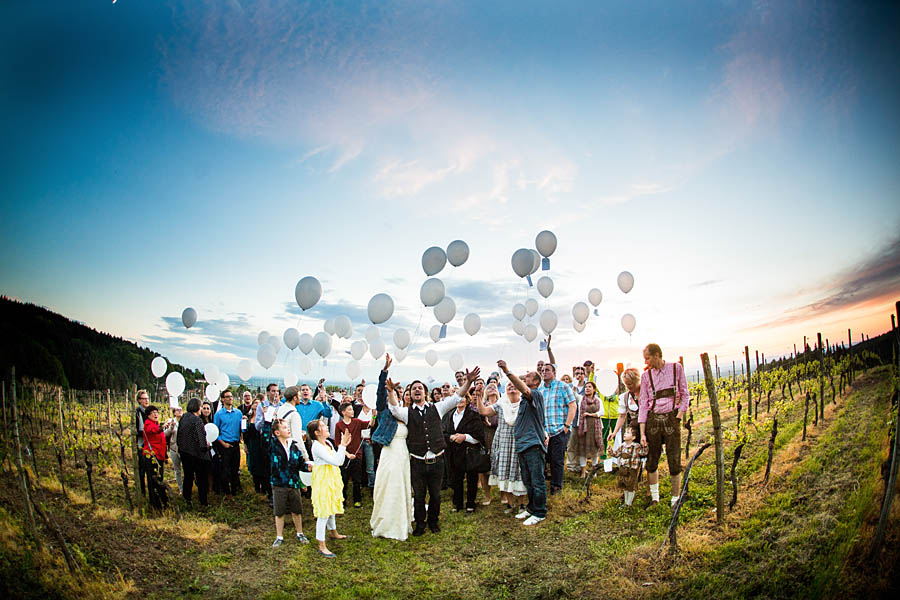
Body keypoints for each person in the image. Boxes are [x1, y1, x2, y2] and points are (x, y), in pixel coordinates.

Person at [388, 361, 479, 535]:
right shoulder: (407, 412)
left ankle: (434, 522)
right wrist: (391, 391)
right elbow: (393, 409)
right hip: (418, 462)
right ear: (410, 393)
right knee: (420, 496)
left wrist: (468, 382)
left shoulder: (438, 408)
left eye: (419, 388)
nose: (416, 390)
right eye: (413, 388)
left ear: (425, 392)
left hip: (437, 460)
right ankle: (420, 525)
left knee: (436, 495)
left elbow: (457, 397)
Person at [496, 360, 548, 526]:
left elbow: (523, 389)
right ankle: (532, 508)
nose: (525, 379)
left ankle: (540, 512)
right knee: (528, 480)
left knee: (537, 480)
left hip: (533, 444)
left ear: (536, 382)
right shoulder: (524, 400)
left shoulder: (535, 394)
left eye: (528, 377)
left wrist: (507, 371)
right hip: (523, 445)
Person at [638, 344, 690, 507]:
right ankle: (655, 498)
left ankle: (675, 498)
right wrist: (643, 432)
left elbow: (685, 394)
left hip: (671, 418)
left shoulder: (676, 368)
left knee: (674, 459)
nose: (645, 361)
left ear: (657, 355)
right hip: (653, 419)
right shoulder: (646, 376)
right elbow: (643, 403)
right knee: (652, 460)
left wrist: (678, 417)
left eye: (647, 358)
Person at [370, 354, 413, 540]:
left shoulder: (407, 414)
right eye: (394, 391)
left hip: (404, 454)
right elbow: (380, 394)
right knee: (387, 485)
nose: (397, 393)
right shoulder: (384, 411)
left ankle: (402, 520)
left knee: (402, 485)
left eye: (399, 391)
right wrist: (384, 370)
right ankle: (385, 522)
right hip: (389, 453)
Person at [476, 383, 527, 514]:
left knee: (519, 471)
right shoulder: (501, 404)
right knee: (505, 471)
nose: (511, 387)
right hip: (503, 442)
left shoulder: (524, 403)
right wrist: (478, 396)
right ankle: (510, 504)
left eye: (514, 385)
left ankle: (521, 504)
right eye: (509, 385)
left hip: (520, 441)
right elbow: (483, 411)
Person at [537, 337, 576, 495]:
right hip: (543, 432)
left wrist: (566, 426)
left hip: (559, 430)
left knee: (557, 460)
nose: (544, 372)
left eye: (547, 370)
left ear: (554, 372)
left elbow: (572, 405)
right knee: (544, 459)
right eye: (543, 370)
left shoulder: (563, 386)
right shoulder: (540, 389)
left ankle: (557, 487)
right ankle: (545, 484)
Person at [308, 418, 350, 558]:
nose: (326, 427)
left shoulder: (327, 443)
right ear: (317, 432)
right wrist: (343, 445)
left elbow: (339, 460)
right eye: (323, 426)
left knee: (331, 505)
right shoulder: (317, 447)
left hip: (331, 477)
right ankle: (321, 545)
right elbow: (337, 461)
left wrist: (342, 447)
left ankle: (334, 532)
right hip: (323, 479)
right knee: (323, 512)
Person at [441, 390, 485, 513]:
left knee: (471, 478)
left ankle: (471, 504)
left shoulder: (473, 414)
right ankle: (458, 504)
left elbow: (479, 435)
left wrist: (465, 437)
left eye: (463, 398)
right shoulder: (448, 415)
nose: (460, 400)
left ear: (467, 399)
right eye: (458, 398)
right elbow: (443, 432)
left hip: (469, 452)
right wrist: (450, 437)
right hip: (453, 452)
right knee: (456, 479)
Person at [269, 418, 310, 547]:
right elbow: (265, 436)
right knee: (279, 511)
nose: (288, 429)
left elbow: (300, 464)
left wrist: (308, 467)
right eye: (285, 427)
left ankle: (300, 533)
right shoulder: (272, 446)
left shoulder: (294, 446)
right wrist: (267, 420)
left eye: (288, 427)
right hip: (279, 484)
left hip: (293, 483)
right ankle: (279, 536)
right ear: (277, 432)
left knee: (297, 510)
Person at [334, 401, 371, 507]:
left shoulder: (357, 422)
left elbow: (369, 425)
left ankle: (357, 500)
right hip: (344, 456)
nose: (353, 411)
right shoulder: (339, 425)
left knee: (357, 479)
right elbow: (337, 443)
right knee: (343, 479)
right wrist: (346, 454)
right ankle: (343, 499)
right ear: (343, 412)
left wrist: (373, 416)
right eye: (350, 409)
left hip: (357, 455)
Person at [177, 398, 210, 507]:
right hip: (197, 455)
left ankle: (187, 499)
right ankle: (203, 502)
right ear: (197, 407)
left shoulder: (184, 417)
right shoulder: (197, 420)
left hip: (184, 452)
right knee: (202, 479)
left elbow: (179, 436)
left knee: (188, 477)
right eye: (201, 406)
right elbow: (201, 439)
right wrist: (206, 447)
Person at [570, 381, 604, 478]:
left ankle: (594, 470)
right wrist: (576, 385)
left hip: (595, 427)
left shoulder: (598, 400)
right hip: (583, 428)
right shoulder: (581, 399)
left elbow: (602, 412)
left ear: (594, 389)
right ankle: (583, 471)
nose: (587, 389)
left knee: (595, 449)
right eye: (586, 387)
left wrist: (591, 415)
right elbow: (574, 394)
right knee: (582, 450)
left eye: (590, 387)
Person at [213, 390, 243, 496]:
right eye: (227, 396)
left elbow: (241, 428)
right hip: (224, 444)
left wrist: (241, 436)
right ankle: (226, 491)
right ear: (222, 399)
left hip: (235, 444)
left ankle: (235, 490)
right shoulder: (219, 414)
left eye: (231, 396)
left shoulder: (238, 413)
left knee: (235, 468)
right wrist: (222, 443)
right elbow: (215, 431)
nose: (230, 398)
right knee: (225, 469)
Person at [610, 425, 647, 506]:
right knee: (625, 486)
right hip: (623, 469)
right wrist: (611, 451)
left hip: (632, 469)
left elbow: (643, 453)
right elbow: (616, 454)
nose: (625, 434)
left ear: (633, 437)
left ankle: (629, 503)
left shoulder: (636, 446)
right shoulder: (622, 445)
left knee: (631, 487)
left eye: (628, 433)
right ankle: (626, 502)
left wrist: (645, 446)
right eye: (625, 432)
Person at [141, 405, 169, 509]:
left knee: (159, 478)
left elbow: (162, 441)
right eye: (153, 412)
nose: (155, 414)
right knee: (153, 480)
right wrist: (163, 426)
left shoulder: (156, 424)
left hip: (159, 456)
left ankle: (162, 501)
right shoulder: (148, 425)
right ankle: (155, 503)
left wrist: (165, 455)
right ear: (148, 415)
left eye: (156, 412)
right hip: (151, 457)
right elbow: (154, 430)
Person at [276, 387, 312, 462]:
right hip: (290, 451)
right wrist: (305, 456)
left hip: (279, 447)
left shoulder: (281, 409)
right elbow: (297, 438)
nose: (300, 398)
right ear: (295, 398)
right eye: (299, 396)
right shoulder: (294, 414)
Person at [609, 368, 642, 449]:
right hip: (634, 429)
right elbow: (622, 416)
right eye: (626, 384)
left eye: (630, 384)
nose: (628, 387)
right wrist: (614, 432)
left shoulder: (646, 393)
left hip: (648, 426)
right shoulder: (625, 397)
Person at [478, 382, 499, 505]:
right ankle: (487, 496)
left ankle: (504, 495)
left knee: (501, 467)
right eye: (489, 387)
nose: (492, 389)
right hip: (486, 437)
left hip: (499, 437)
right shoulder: (482, 405)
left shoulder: (502, 404)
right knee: (484, 468)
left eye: (494, 387)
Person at [245, 396, 267, 493]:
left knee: (262, 464)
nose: (256, 405)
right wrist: (246, 445)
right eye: (255, 403)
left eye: (259, 403)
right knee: (253, 464)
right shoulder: (247, 417)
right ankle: (256, 486)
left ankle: (264, 486)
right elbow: (245, 433)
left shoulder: (262, 418)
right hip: (252, 444)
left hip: (261, 443)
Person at [163, 407, 184, 495]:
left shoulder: (185, 421)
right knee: (177, 469)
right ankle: (181, 488)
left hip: (184, 449)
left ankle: (187, 487)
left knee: (186, 469)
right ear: (174, 413)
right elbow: (165, 434)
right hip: (174, 448)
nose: (179, 411)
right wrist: (171, 427)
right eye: (177, 410)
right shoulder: (171, 422)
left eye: (181, 410)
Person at [134, 389, 151, 496]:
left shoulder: (148, 412)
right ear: (139, 400)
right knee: (142, 468)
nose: (146, 400)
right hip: (142, 445)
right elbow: (138, 431)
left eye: (147, 398)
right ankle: (142, 491)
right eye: (144, 399)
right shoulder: (138, 413)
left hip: (150, 445)